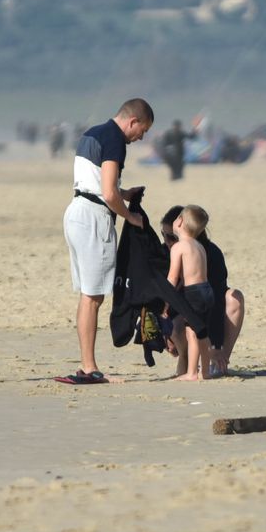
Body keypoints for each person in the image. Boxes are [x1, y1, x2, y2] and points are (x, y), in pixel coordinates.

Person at [61, 98, 154, 384]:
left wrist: (124, 193)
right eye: (143, 131)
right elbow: (108, 194)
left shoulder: (94, 132)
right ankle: (89, 367)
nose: (141, 137)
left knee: (87, 295)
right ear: (133, 121)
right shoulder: (116, 140)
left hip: (75, 212)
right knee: (93, 297)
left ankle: (87, 363)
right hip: (94, 219)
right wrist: (130, 216)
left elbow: (99, 183)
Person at [161, 204, 246, 376]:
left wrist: (216, 344)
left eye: (170, 236)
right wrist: (163, 332)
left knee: (234, 297)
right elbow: (156, 296)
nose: (166, 241)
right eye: (163, 235)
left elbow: (214, 299)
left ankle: (217, 361)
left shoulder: (210, 253)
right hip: (179, 313)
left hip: (204, 309)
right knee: (181, 328)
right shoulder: (163, 253)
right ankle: (188, 365)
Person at [166, 205, 215, 381]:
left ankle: (192, 372)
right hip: (207, 291)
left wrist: (165, 302)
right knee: (203, 333)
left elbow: (172, 278)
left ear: (179, 221)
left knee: (191, 333)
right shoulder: (199, 246)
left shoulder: (179, 247)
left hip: (193, 293)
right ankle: (206, 371)